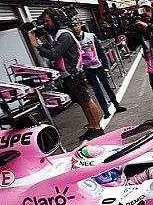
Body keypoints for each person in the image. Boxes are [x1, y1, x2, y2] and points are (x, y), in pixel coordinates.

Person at [28, 8, 104, 141]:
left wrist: (37, 46)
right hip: (67, 74)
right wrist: (42, 43)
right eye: (44, 22)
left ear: (56, 20)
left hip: (73, 73)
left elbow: (54, 54)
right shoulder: (57, 35)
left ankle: (98, 128)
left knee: (86, 100)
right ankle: (92, 127)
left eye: (48, 21)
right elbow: (52, 51)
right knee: (81, 101)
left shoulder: (65, 35)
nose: (46, 24)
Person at [70, 19, 126, 120]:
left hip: (98, 66)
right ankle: (105, 110)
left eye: (76, 25)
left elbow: (100, 51)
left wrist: (105, 66)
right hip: (87, 68)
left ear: (80, 25)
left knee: (107, 86)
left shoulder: (90, 36)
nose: (75, 27)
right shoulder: (73, 40)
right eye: (72, 26)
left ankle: (116, 105)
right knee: (97, 90)